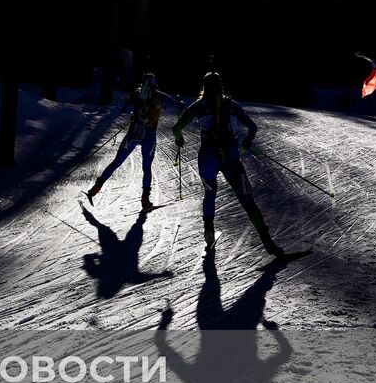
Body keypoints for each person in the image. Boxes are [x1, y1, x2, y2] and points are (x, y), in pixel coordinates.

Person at [172, 72, 283, 258]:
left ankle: (209, 235)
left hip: (207, 156)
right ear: (221, 86)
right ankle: (268, 242)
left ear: (204, 87)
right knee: (247, 200)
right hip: (230, 155)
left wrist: (179, 139)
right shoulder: (231, 105)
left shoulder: (198, 106)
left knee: (209, 194)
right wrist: (247, 141)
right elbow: (252, 127)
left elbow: (176, 128)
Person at [87, 72, 162, 210]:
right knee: (146, 168)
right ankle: (145, 200)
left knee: (116, 162)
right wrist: (179, 103)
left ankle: (95, 189)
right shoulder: (159, 95)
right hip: (149, 134)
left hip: (133, 132)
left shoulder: (137, 94)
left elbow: (125, 109)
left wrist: (134, 112)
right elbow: (177, 105)